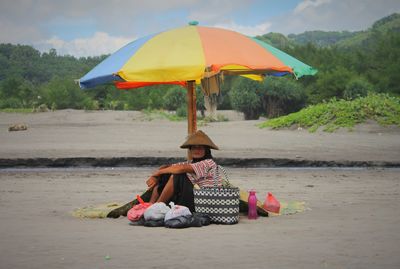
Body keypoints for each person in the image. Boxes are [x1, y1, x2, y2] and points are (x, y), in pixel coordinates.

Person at [145, 130, 221, 212]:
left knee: (178, 175)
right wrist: (155, 176)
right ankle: (150, 205)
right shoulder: (189, 163)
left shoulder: (209, 163)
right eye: (194, 147)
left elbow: (180, 169)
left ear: (206, 150)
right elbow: (166, 167)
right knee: (166, 174)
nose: (196, 150)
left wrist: (157, 173)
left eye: (200, 148)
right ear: (190, 150)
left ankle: (157, 207)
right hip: (193, 198)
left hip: (204, 201)